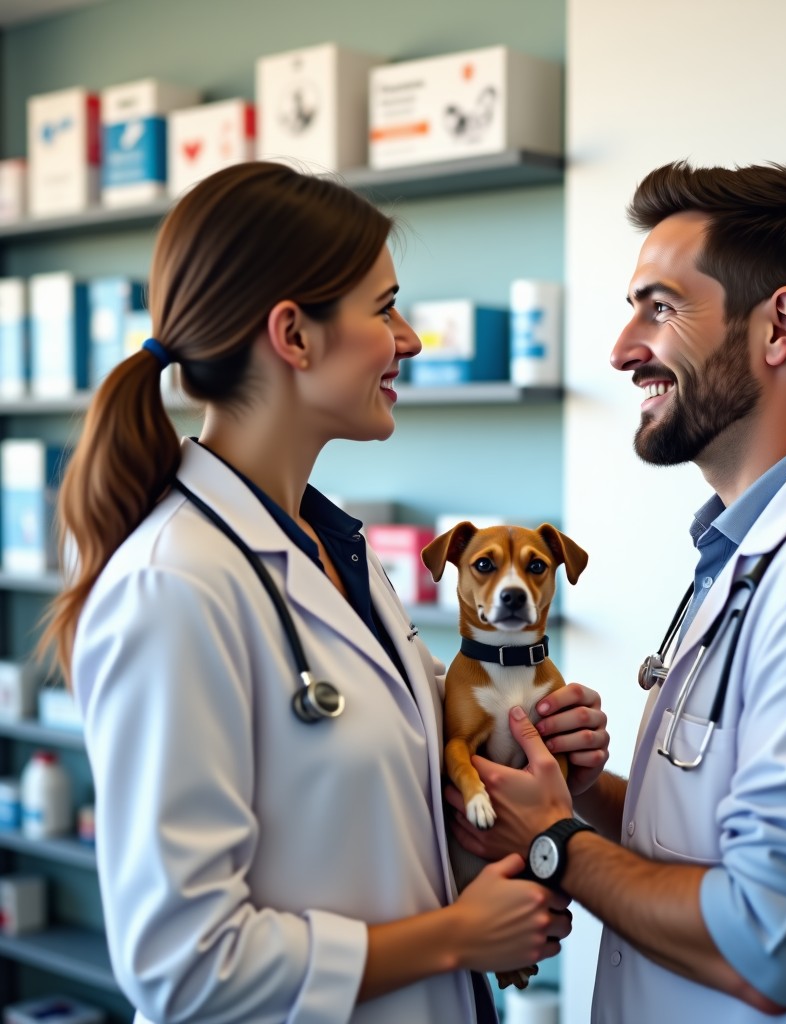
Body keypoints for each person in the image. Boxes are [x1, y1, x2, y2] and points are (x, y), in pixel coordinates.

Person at [38, 160, 610, 1024]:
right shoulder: (174, 588)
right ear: (294, 337)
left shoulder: (335, 551)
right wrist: (456, 937)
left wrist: (543, 761)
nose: (409, 338)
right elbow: (181, 966)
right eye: (384, 309)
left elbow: (376, 827)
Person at [448, 160, 786, 1023]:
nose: (623, 348)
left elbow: (766, 942)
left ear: (779, 326)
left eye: (659, 307)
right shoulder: (749, 553)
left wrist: (552, 840)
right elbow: (706, 851)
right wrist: (576, 790)